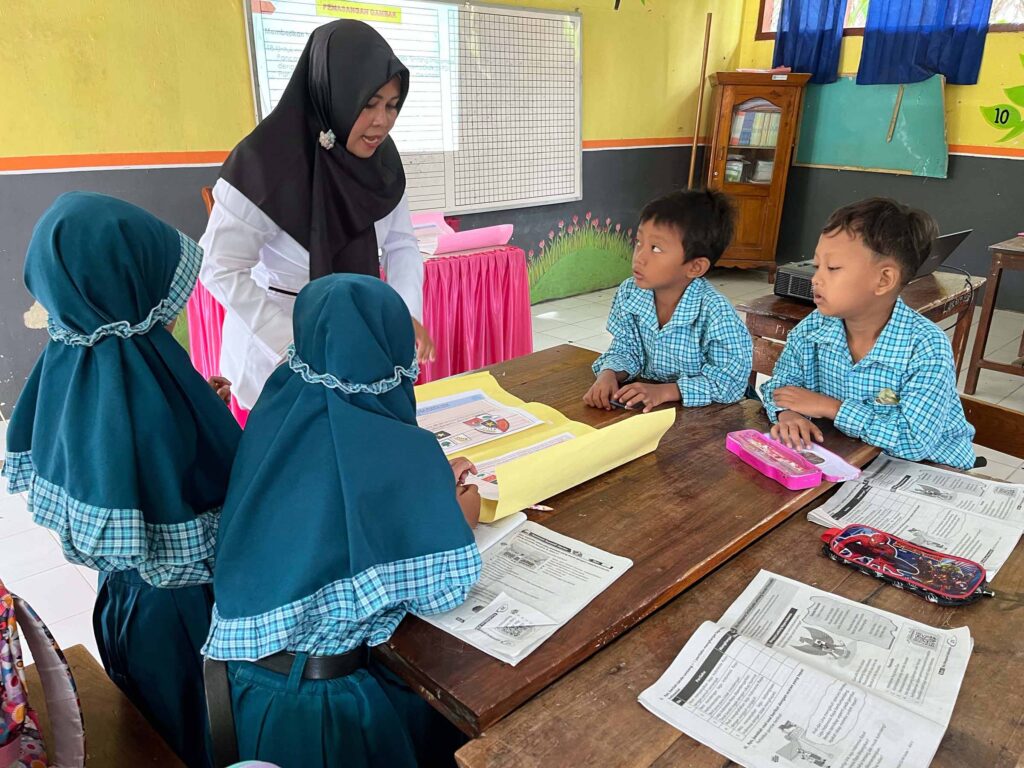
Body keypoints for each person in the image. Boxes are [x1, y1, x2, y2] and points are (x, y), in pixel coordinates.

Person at [2, 192, 242, 768]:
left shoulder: (78, 356)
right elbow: (189, 483)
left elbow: (119, 453)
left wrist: (190, 414)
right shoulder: (138, 371)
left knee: (157, 723)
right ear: (126, 290)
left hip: (123, 605)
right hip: (184, 622)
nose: (174, 306)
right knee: (195, 740)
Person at [203, 274, 481, 768]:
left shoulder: (274, 413)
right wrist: (460, 514)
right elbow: (444, 588)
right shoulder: (401, 451)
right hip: (327, 714)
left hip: (238, 693)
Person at [199, 19, 433, 412]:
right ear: (335, 94)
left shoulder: (382, 162)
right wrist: (294, 347)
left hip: (352, 336)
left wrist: (404, 312)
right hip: (274, 346)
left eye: (392, 106)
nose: (382, 121)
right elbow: (220, 268)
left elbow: (401, 243)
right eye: (369, 103)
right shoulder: (263, 163)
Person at [760, 197, 975, 469]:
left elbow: (915, 441)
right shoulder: (813, 328)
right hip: (855, 458)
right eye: (816, 266)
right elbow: (780, 387)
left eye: (833, 268)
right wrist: (787, 412)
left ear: (884, 279)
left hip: (930, 468)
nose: (816, 278)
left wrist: (832, 408)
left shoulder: (925, 347)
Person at [584, 189, 752, 412]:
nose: (640, 257)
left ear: (695, 267)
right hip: (650, 409)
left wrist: (666, 391)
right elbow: (626, 349)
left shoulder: (717, 314)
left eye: (655, 248)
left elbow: (730, 385)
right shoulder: (629, 292)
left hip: (708, 416)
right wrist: (609, 374)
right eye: (639, 242)